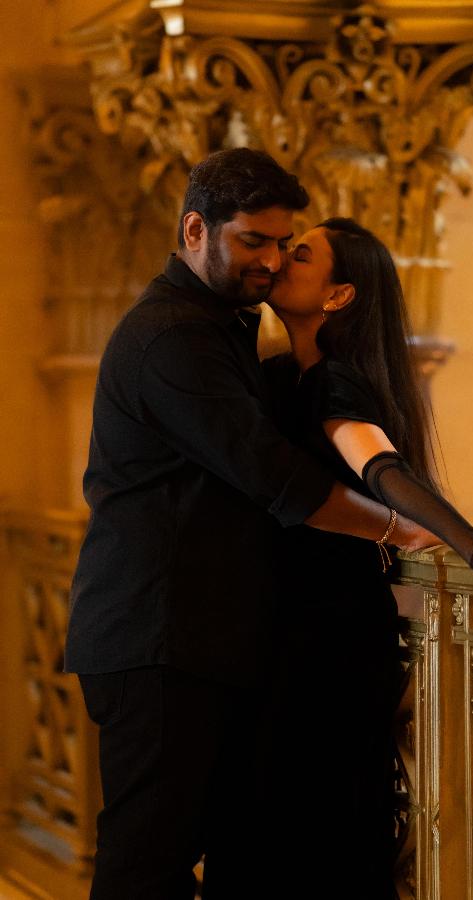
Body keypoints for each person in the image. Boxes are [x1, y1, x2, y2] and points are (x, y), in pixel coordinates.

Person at [64, 150, 440, 900]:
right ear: (194, 230)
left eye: (283, 243)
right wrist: (399, 530)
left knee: (184, 854)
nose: (270, 260)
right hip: (160, 639)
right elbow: (275, 476)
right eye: (253, 241)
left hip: (193, 638)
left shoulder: (221, 326)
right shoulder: (175, 336)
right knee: (146, 866)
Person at [258, 217, 473, 898]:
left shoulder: (333, 382)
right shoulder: (278, 376)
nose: (279, 260)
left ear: (338, 296)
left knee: (327, 828)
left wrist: (466, 538)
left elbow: (381, 467)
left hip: (330, 639)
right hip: (292, 630)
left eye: (300, 255)